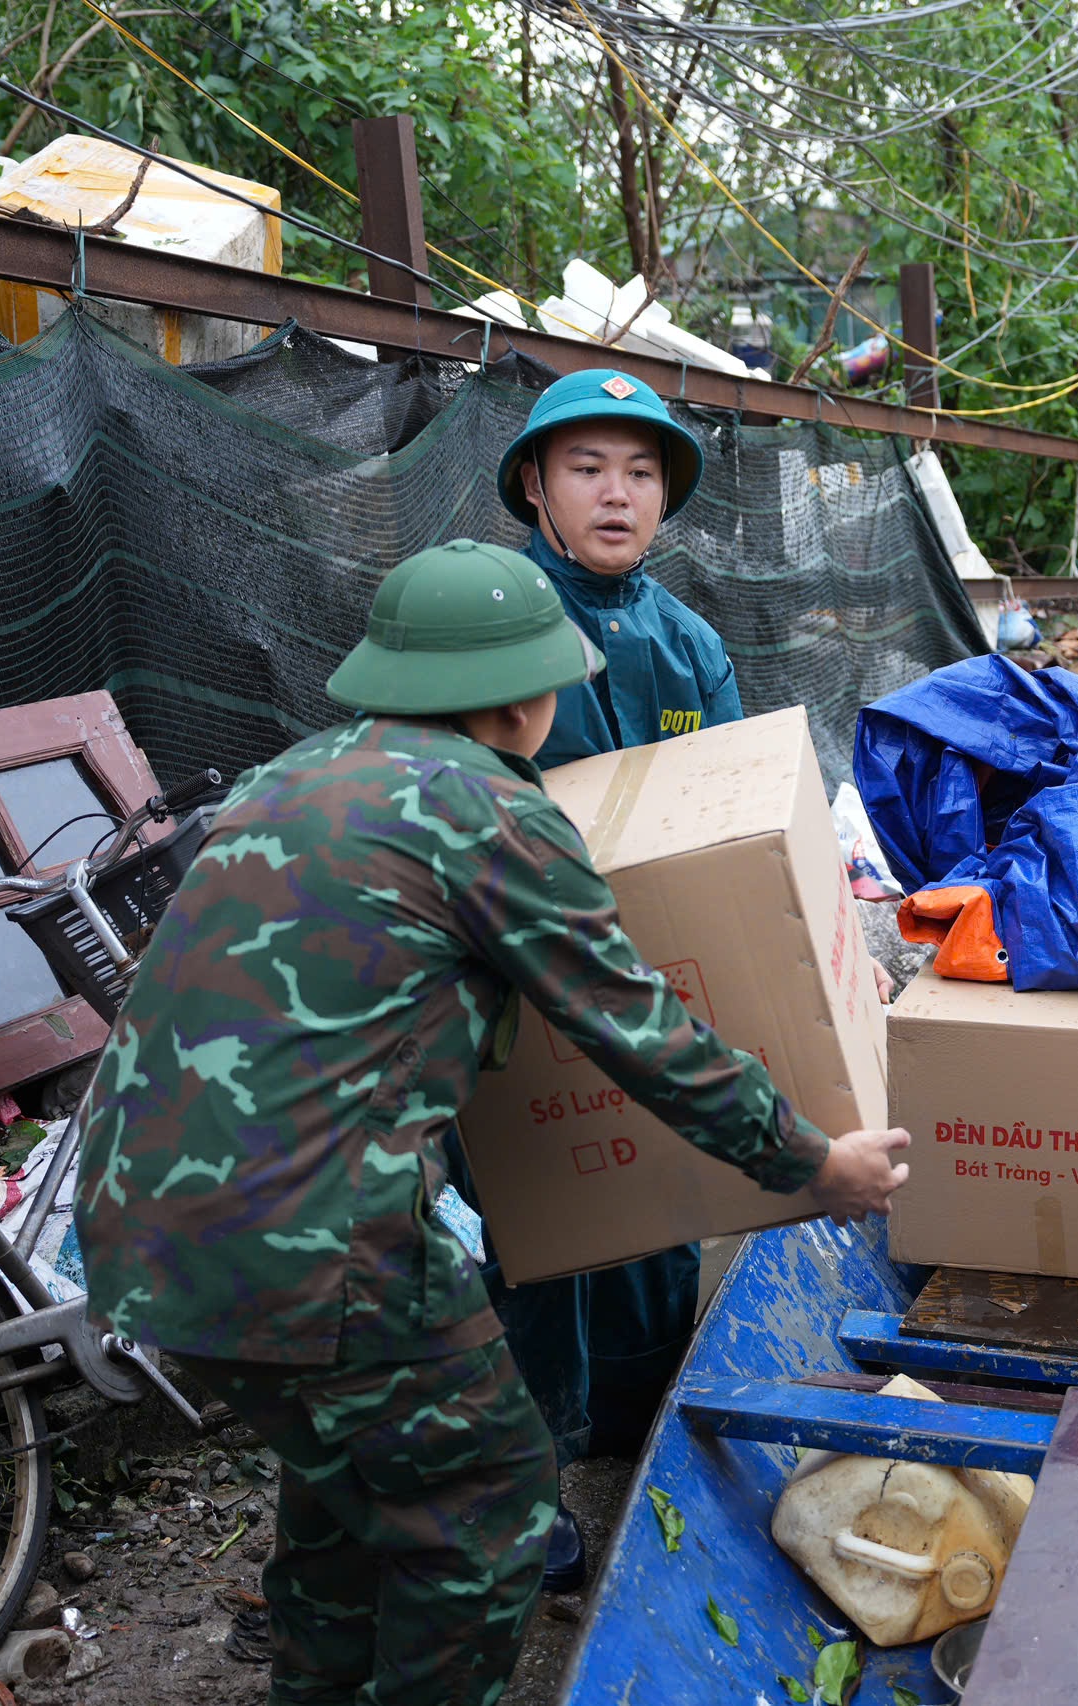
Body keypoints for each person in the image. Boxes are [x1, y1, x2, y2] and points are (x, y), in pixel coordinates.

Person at [74, 539, 911, 1706]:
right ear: (527, 694)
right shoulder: (485, 811)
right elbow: (639, 1030)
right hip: (315, 1249)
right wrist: (814, 1162)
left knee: (347, 1490)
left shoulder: (296, 774)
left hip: (135, 1229)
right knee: (491, 1513)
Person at [438, 368, 739, 1593]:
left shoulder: (687, 639)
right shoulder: (486, 612)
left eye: (642, 469)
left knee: (654, 1207)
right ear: (533, 483)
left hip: (641, 967)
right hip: (507, 976)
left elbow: (727, 808)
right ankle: (524, 1481)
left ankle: (630, 1425)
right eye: (586, 467)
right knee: (530, 1222)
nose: (618, 494)